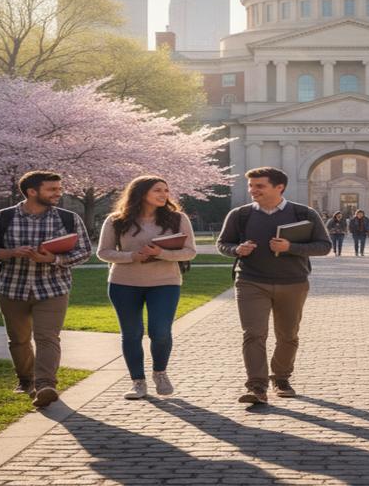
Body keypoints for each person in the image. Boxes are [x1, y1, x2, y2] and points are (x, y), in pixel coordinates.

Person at [0, 170, 93, 408]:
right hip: (11, 288)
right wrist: (9, 253)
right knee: (18, 339)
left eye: (59, 189)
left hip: (53, 288)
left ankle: (45, 385)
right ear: (32, 191)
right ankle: (25, 380)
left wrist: (52, 259)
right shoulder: (0, 218)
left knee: (47, 337)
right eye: (52, 189)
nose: (58, 193)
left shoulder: (68, 218)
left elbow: (83, 252)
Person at [217, 167, 331, 404]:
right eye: (251, 186)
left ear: (279, 187)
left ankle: (281, 378)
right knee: (253, 334)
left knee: (288, 335)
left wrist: (291, 248)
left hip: (293, 283)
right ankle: (257, 386)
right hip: (250, 281)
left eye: (260, 186)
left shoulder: (304, 213)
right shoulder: (240, 214)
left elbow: (323, 246)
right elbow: (223, 244)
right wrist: (236, 249)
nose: (253, 190)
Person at [96, 175, 197, 400]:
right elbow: (103, 253)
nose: (164, 195)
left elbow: (190, 251)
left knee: (160, 332)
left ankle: (160, 373)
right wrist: (133, 256)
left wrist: (160, 253)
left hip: (165, 283)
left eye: (166, 190)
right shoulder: (116, 220)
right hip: (123, 283)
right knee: (131, 334)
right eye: (157, 190)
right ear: (141, 193)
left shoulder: (177, 219)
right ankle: (137, 382)